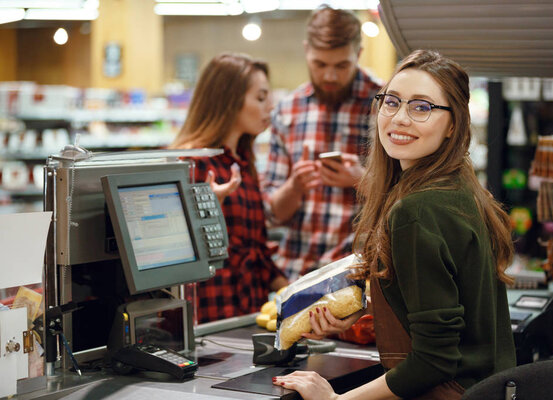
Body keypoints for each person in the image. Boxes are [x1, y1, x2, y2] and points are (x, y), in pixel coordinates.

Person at [272, 50, 517, 399]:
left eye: (422, 107)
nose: (400, 118)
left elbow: (435, 361)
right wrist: (360, 310)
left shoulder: (416, 211)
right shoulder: (458, 187)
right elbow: (441, 294)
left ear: (453, 125)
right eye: (392, 102)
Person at [261, 6, 382, 281]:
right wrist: (294, 187)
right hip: (296, 274)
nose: (330, 76)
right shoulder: (287, 110)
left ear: (359, 55)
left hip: (359, 274)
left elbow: (406, 198)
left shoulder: (385, 103)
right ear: (307, 51)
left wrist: (361, 180)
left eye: (341, 66)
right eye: (320, 64)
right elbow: (272, 214)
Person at [171, 53, 288, 323]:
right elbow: (176, 253)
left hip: (248, 311)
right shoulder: (192, 163)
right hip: (209, 315)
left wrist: (294, 289)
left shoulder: (243, 163)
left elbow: (255, 247)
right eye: (260, 98)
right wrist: (209, 210)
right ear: (228, 100)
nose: (270, 107)